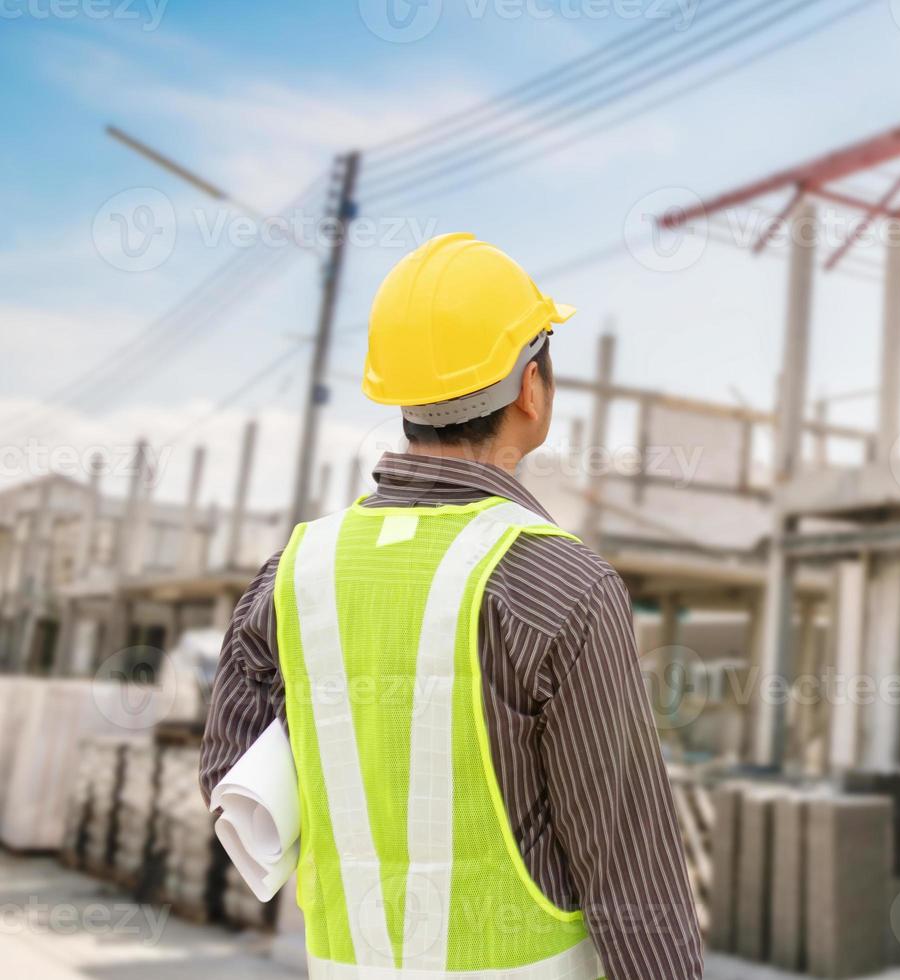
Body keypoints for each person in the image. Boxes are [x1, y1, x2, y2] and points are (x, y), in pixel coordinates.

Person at [200, 232, 703, 980]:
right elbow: (625, 856)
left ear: (400, 397)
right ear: (531, 387)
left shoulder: (294, 573)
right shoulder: (563, 582)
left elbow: (231, 778)